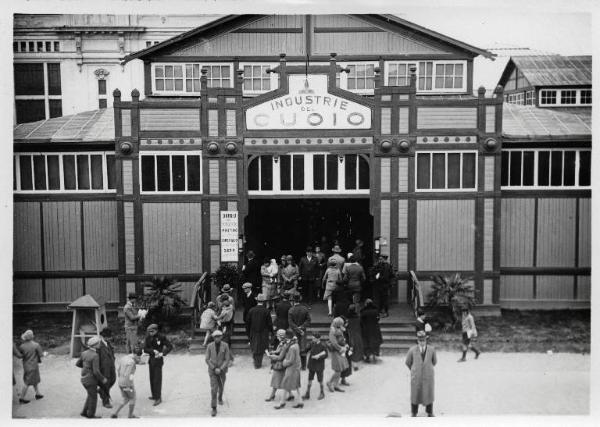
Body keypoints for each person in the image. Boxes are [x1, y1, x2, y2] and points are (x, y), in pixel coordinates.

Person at [405, 331, 437, 417]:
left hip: (428, 375)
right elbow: (408, 362)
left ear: (426, 340)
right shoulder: (412, 350)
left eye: (423, 340)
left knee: (429, 393)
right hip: (416, 376)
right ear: (417, 340)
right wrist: (414, 370)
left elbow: (434, 361)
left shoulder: (432, 349)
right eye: (420, 340)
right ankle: (414, 412)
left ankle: (429, 411)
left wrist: (427, 368)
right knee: (415, 394)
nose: (422, 342)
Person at [76, 336, 107, 418]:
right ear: (95, 345)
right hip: (91, 380)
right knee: (93, 398)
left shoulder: (84, 353)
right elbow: (96, 371)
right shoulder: (95, 355)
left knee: (90, 395)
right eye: (99, 343)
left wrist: (86, 368)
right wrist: (103, 379)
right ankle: (91, 415)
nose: (100, 344)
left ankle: (84, 412)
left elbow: (78, 364)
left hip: (84, 379)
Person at [143, 324, 173, 406]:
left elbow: (170, 346)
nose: (150, 333)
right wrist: (153, 351)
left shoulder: (161, 337)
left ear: (156, 330)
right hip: (151, 360)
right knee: (152, 379)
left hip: (158, 361)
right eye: (149, 332)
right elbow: (145, 349)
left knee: (157, 380)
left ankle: (158, 398)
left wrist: (162, 353)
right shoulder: (148, 337)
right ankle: (154, 395)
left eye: (152, 331)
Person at [111, 347, 143, 419]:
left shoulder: (124, 358)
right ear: (135, 354)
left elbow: (118, 370)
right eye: (138, 356)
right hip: (127, 383)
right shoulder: (132, 362)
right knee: (133, 398)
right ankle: (130, 415)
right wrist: (131, 383)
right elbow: (128, 374)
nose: (139, 358)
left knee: (125, 398)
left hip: (120, 382)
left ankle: (115, 413)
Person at [205, 330, 230, 417]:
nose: (217, 338)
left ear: (221, 337)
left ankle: (220, 397)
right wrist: (214, 368)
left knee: (221, 386)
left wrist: (221, 368)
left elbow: (227, 359)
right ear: (213, 337)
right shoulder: (209, 346)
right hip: (212, 371)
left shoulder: (225, 345)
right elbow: (207, 359)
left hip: (222, 370)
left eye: (219, 336)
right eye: (215, 336)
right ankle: (214, 407)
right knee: (214, 389)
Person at [276, 330, 303, 409]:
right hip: (297, 368)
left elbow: (291, 361)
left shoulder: (291, 347)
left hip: (291, 369)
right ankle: (300, 402)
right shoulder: (296, 344)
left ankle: (282, 403)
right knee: (297, 385)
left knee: (285, 385)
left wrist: (284, 362)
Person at [246, 294, 273, 368]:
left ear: (257, 300)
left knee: (254, 347)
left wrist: (248, 333)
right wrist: (272, 331)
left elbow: (247, 323)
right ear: (263, 302)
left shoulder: (251, 310)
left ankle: (256, 363)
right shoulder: (266, 311)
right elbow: (269, 323)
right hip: (263, 333)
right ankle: (259, 363)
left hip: (253, 332)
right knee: (261, 348)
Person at [18, 329, 44, 404]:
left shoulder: (22, 346)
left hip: (26, 365)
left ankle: (38, 394)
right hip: (34, 366)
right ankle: (22, 398)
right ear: (32, 336)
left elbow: (21, 355)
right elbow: (41, 355)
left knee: (34, 379)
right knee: (27, 382)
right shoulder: (36, 345)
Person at [288, 292, 311, 370]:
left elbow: (290, 323)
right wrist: (301, 327)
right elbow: (308, 320)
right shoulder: (305, 309)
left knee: (294, 347)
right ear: (300, 299)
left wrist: (297, 329)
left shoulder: (291, 310)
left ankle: (295, 365)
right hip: (303, 331)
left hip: (294, 332)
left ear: (293, 300)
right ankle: (304, 366)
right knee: (303, 348)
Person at [265, 329, 290, 402]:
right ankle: (290, 395)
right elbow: (278, 351)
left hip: (280, 364)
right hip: (281, 364)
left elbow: (280, 357)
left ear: (281, 336)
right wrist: (274, 352)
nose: (277, 337)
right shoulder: (282, 343)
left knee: (276, 379)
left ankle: (272, 395)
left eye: (278, 336)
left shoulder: (284, 345)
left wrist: (271, 356)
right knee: (283, 380)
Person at [302, 332, 328, 401]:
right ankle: (307, 393)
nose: (312, 339)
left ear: (318, 338)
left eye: (314, 338)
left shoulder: (323, 345)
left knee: (320, 380)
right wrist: (301, 350)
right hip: (312, 365)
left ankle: (322, 393)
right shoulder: (311, 343)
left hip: (319, 366)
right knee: (309, 379)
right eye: (312, 338)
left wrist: (319, 357)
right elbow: (305, 350)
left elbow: (326, 355)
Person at [326, 317, 349, 393]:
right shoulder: (332, 331)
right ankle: (330, 382)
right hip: (336, 352)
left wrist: (345, 345)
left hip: (340, 351)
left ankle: (335, 385)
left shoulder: (338, 329)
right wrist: (341, 348)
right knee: (338, 369)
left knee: (340, 368)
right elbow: (334, 342)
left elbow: (342, 339)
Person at [97, 328, 117, 408]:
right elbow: (96, 358)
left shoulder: (108, 343)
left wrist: (113, 359)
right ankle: (106, 402)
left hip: (111, 366)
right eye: (108, 337)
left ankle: (101, 391)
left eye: (109, 336)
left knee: (113, 380)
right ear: (104, 336)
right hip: (104, 368)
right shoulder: (99, 345)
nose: (110, 338)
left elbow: (111, 353)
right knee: (106, 383)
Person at [361, 299, 383, 363]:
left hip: (366, 330)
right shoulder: (376, 311)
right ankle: (374, 357)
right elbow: (378, 319)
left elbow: (361, 321)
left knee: (367, 343)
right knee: (375, 343)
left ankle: (367, 357)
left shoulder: (363, 311)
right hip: (375, 330)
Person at [346, 304, 364, 369]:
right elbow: (362, 326)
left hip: (349, 335)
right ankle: (355, 364)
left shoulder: (347, 319)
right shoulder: (358, 318)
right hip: (357, 335)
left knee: (350, 349)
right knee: (356, 349)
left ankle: (350, 363)